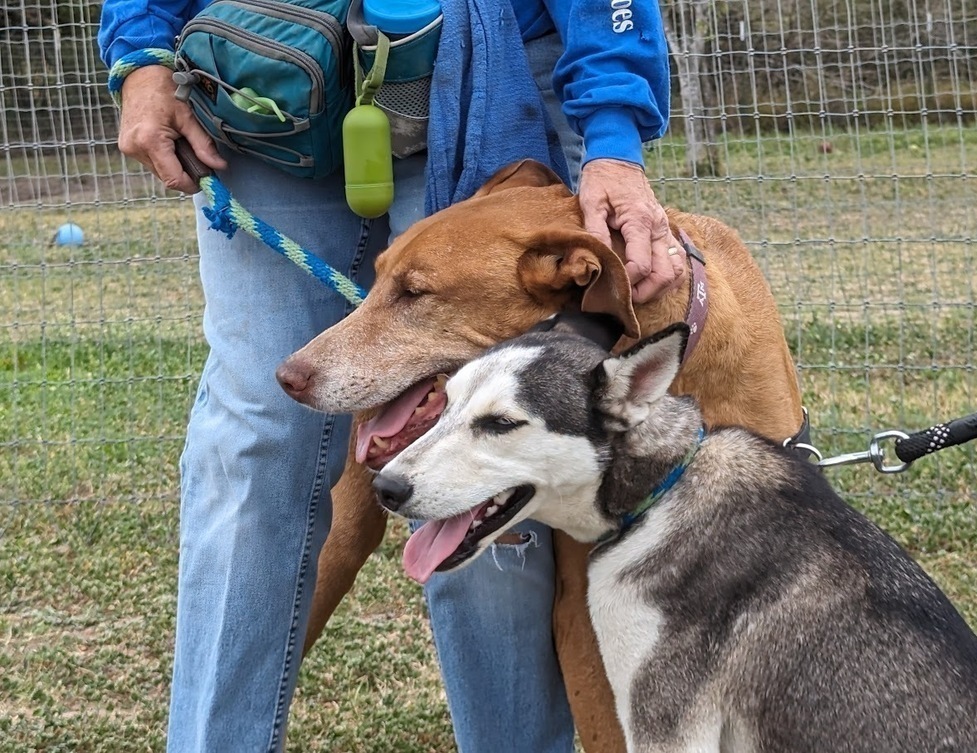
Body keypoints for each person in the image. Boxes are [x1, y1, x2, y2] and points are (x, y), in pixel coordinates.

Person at [98, 0, 682, 749]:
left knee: (489, 436)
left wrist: (613, 133)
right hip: (258, 82)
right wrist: (140, 53)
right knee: (254, 438)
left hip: (487, 80)